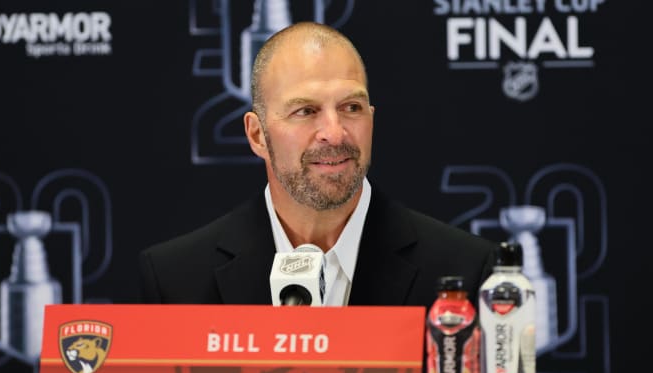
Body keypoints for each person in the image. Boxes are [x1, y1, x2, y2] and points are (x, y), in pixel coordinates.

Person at [139, 21, 496, 308]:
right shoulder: (176, 281)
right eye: (305, 111)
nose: (334, 133)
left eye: (351, 108)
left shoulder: (466, 271)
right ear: (257, 135)